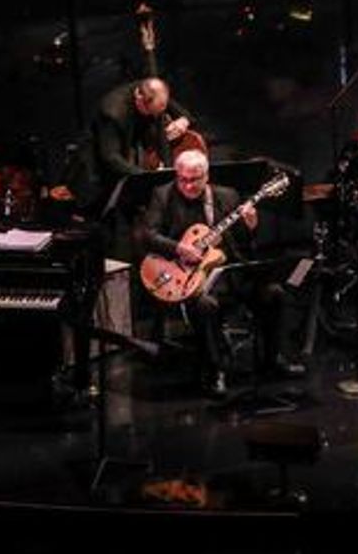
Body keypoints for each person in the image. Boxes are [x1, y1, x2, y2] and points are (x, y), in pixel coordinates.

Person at [141, 150, 302, 396]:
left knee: (274, 294)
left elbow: (244, 245)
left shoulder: (227, 196)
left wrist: (250, 227)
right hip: (188, 278)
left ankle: (274, 358)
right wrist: (179, 248)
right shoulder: (162, 195)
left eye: (194, 179)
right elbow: (148, 235)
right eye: (182, 179)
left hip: (228, 272)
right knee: (206, 306)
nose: (188, 185)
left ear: (206, 176)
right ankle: (215, 370)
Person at [93, 76, 194, 186]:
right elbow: (111, 157)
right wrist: (145, 176)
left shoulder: (151, 90)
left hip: (137, 151)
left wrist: (184, 119)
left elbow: (168, 105)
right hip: (102, 173)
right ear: (139, 99)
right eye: (151, 113)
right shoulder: (113, 113)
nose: (155, 117)